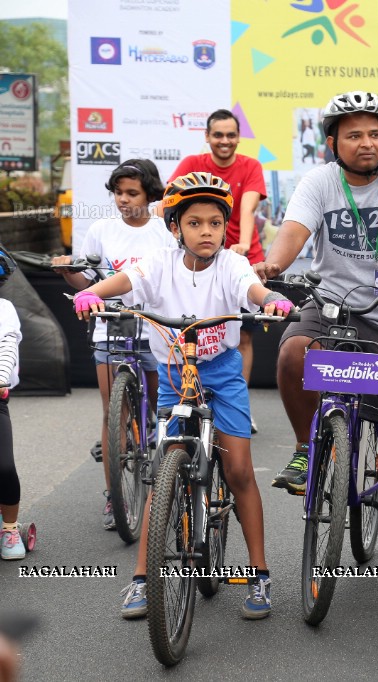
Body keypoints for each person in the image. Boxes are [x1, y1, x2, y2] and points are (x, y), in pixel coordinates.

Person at [72, 172, 293, 619]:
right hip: (176, 374)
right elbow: (125, 281)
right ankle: (140, 579)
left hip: (223, 372)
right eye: (195, 223)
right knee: (164, 464)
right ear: (176, 228)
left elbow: (254, 288)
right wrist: (91, 293)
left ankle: (259, 574)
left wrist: (271, 299)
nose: (207, 231)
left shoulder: (231, 263)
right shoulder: (159, 260)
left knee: (239, 471)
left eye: (215, 222)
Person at [259, 91, 378, 507]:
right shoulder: (320, 181)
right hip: (334, 306)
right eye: (354, 135)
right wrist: (271, 267)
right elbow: (292, 234)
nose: (367, 143)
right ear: (332, 143)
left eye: (375, 134)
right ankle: (306, 450)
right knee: (294, 352)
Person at [52, 160, 174, 530]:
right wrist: (67, 270)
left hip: (155, 328)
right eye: (118, 192)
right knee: (113, 417)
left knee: (157, 406)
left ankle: (155, 440)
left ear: (151, 195)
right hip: (110, 329)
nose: (123, 200)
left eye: (131, 193)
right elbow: (85, 284)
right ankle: (114, 496)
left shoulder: (166, 231)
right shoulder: (101, 229)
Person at [171, 110, 267, 430]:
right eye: (218, 135)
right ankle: (188, 398)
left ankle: (237, 404)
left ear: (238, 137)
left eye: (230, 135)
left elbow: (248, 207)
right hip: (199, 257)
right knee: (192, 331)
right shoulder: (190, 163)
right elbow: (169, 204)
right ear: (208, 137)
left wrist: (239, 244)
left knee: (241, 340)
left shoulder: (251, 166)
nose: (224, 141)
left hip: (240, 255)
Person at [0, 250, 24, 561]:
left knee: (3, 466)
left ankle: (10, 527)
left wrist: (1, 378)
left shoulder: (4, 309)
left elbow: (7, 344)